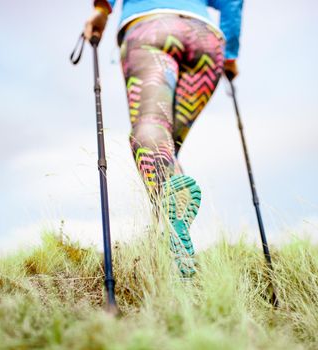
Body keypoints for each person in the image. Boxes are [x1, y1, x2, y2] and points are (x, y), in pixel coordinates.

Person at [84, 0, 243, 277]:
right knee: (166, 146)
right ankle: (170, 249)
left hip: (150, 31)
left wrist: (101, 10)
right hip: (205, 42)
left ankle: (168, 226)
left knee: (152, 126)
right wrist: (229, 54)